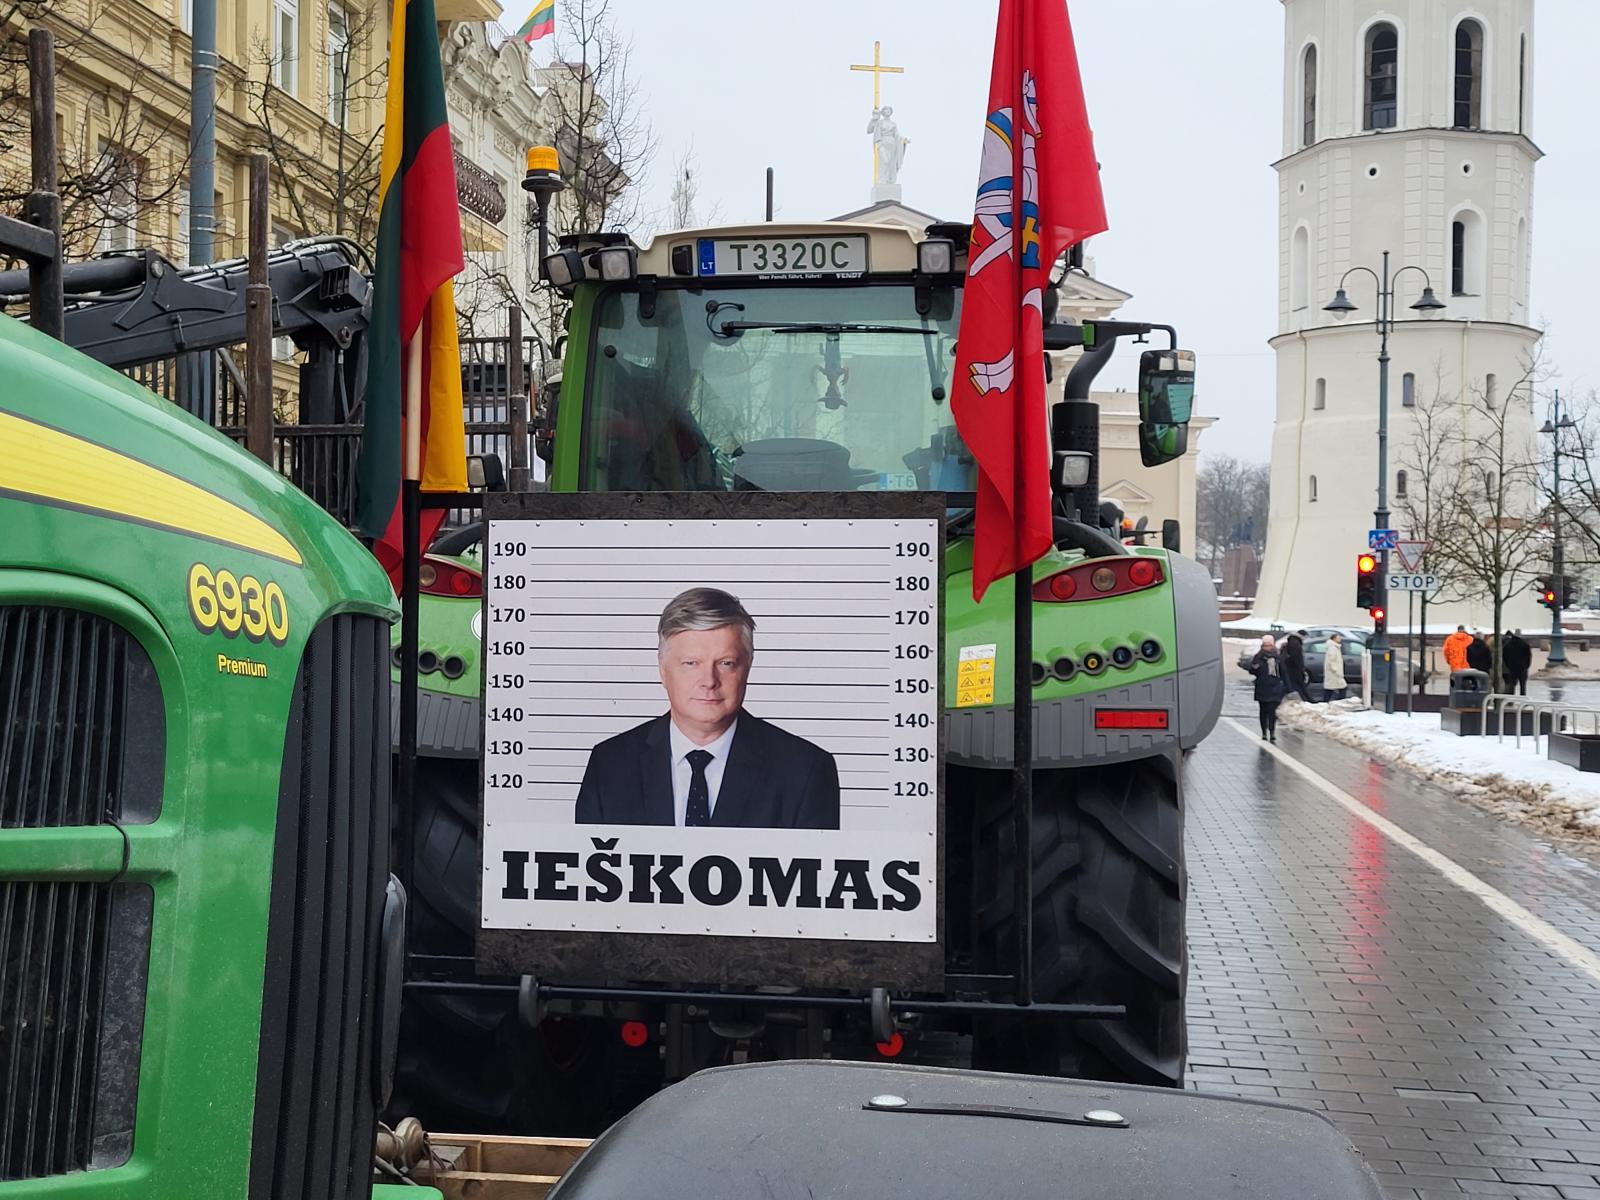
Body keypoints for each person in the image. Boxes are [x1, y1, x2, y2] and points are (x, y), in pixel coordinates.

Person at [575, 587, 841, 829]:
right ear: (663, 671)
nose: (709, 681)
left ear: (746, 668)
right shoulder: (609, 765)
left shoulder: (805, 771)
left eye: (726, 663)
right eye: (691, 663)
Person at [1249, 635, 1290, 742]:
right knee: (1263, 711)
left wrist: (1287, 686)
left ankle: (1272, 731)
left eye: (1269, 645)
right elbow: (1252, 671)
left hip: (1275, 687)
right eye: (1265, 645)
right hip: (1262, 687)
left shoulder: (1278, 657)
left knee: (1272, 711)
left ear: (1273, 645)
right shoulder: (1258, 657)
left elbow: (1283, 672)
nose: (1267, 647)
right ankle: (1263, 732)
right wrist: (1255, 667)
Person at [1283, 630, 1314, 702]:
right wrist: (1301, 669)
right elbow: (1297, 658)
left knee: (1297, 685)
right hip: (1294, 669)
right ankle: (1305, 700)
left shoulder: (1292, 641)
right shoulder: (1295, 644)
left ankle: (1306, 699)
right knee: (1298, 685)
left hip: (1291, 668)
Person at [1502, 629, 1532, 695]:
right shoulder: (1525, 645)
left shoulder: (1508, 645)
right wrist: (1526, 666)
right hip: (1522, 668)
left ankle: (1511, 700)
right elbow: (1529, 657)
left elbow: (1504, 656)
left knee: (1511, 685)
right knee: (1523, 686)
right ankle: (1523, 700)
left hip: (1512, 668)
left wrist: (1508, 665)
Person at [1322, 632, 1349, 702]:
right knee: (1341, 687)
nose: (1340, 639)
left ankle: (1327, 701)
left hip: (1334, 673)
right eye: (1338, 638)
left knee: (1331, 688)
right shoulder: (1333, 648)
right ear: (1334, 639)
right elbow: (1332, 659)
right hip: (1334, 673)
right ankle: (1340, 701)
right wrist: (1335, 669)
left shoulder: (1334, 647)